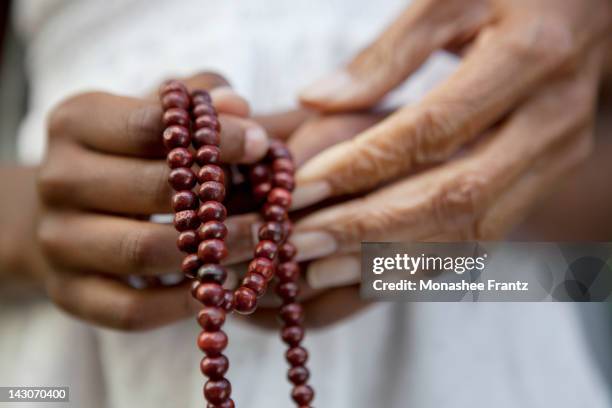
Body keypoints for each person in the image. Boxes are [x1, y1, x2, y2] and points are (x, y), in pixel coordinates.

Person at [0, 0, 611, 407]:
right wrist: (34, 228)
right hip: (85, 354)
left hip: (478, 326)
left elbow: (589, 265)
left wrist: (483, 187)